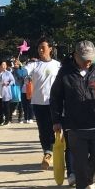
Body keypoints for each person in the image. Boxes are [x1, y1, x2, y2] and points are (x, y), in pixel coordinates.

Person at [51, 40, 95, 189]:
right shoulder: (65, 73)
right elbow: (55, 97)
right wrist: (56, 120)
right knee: (79, 161)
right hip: (75, 124)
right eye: (84, 58)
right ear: (75, 56)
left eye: (91, 58)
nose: (88, 61)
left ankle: (89, 179)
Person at [26, 38, 65, 173]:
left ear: (50, 49)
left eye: (43, 47)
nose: (41, 50)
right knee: (43, 130)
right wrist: (20, 69)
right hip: (38, 103)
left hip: (55, 102)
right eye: (39, 47)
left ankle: (59, 153)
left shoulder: (58, 65)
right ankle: (47, 153)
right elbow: (23, 72)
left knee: (57, 129)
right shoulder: (34, 65)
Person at [0, 61, 15, 125]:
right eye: (3, 64)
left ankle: (7, 121)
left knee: (6, 108)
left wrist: (8, 83)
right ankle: (0, 120)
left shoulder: (8, 73)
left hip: (5, 93)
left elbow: (13, 81)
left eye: (5, 65)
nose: (4, 66)